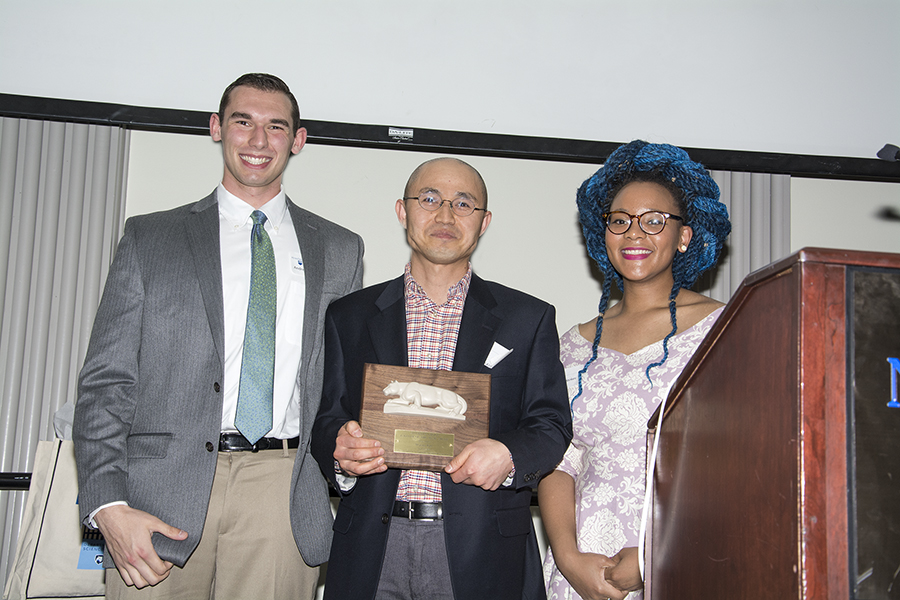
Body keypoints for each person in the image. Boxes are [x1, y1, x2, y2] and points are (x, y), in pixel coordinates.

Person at [73, 73, 364, 599]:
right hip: (157, 494)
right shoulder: (150, 238)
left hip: (282, 491)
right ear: (216, 129)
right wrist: (106, 505)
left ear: (297, 141)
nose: (258, 141)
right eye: (243, 123)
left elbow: (339, 385)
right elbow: (105, 382)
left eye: (276, 127)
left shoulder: (341, 250)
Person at [311, 157, 572, 600]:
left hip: (484, 551)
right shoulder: (349, 316)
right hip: (373, 546)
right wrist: (340, 449)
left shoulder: (527, 318)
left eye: (464, 204)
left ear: (484, 221)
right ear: (403, 210)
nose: (445, 215)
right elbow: (326, 419)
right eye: (429, 199)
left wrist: (508, 453)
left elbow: (551, 425)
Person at [539, 140, 732, 600]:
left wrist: (652, 554)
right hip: (584, 570)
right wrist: (568, 559)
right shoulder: (572, 343)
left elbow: (742, 459)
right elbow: (557, 462)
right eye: (619, 221)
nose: (634, 233)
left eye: (654, 221)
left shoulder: (725, 328)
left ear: (684, 236)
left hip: (687, 557)